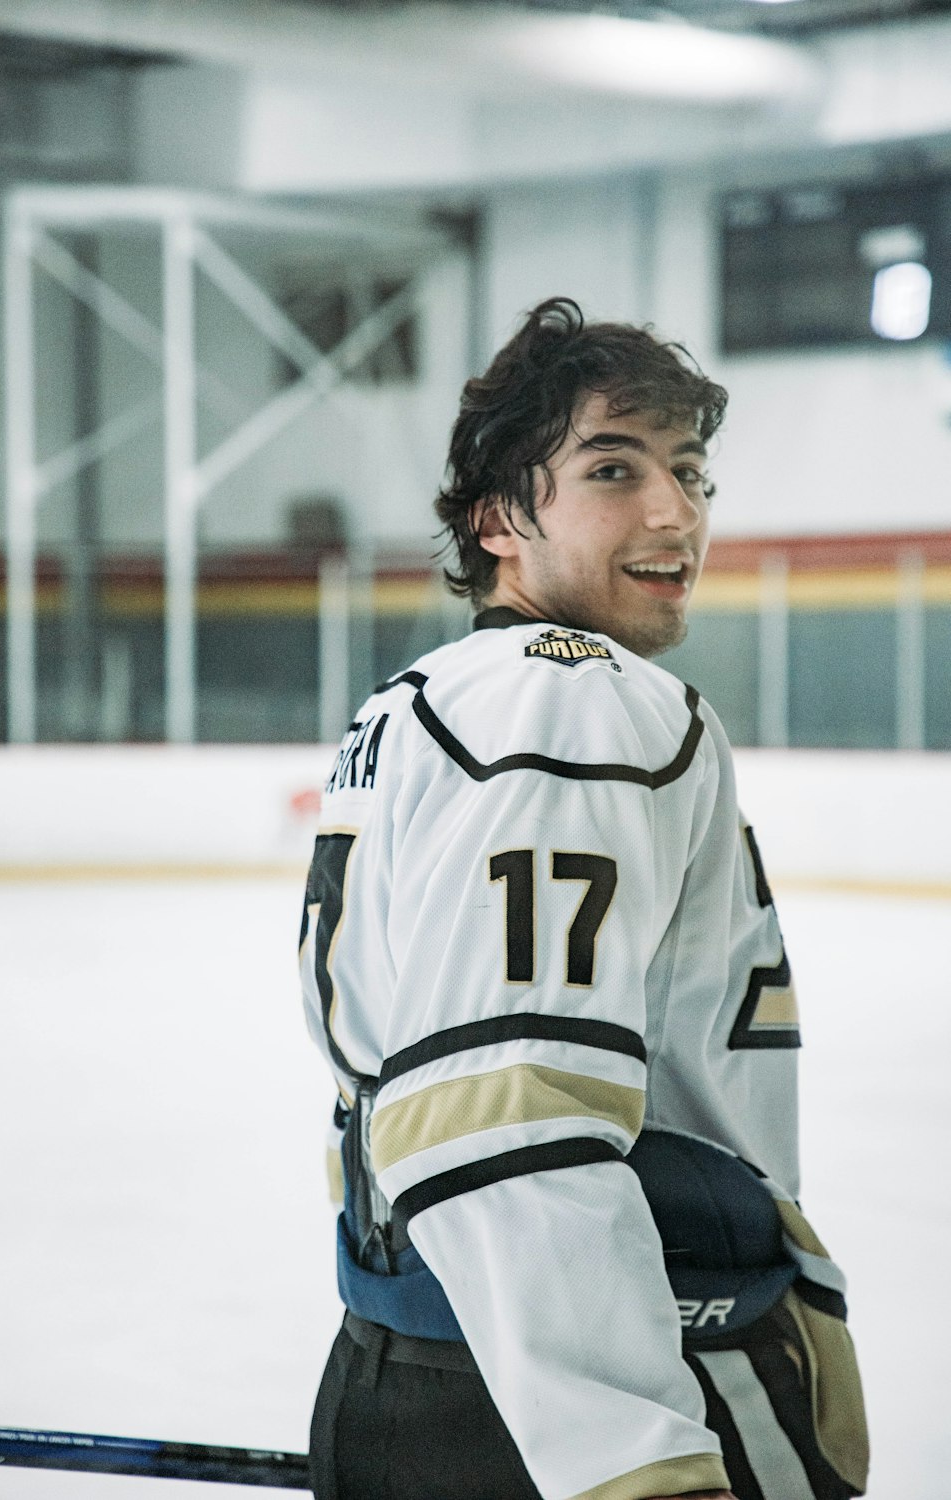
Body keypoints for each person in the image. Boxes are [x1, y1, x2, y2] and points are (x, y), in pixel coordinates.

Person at [300, 298, 869, 1500]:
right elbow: (505, 1109)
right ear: (499, 518)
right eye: (613, 469)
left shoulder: (422, 701)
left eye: (690, 472)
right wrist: (638, 1458)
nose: (675, 513)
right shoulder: (572, 698)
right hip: (601, 1391)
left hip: (419, 1362)